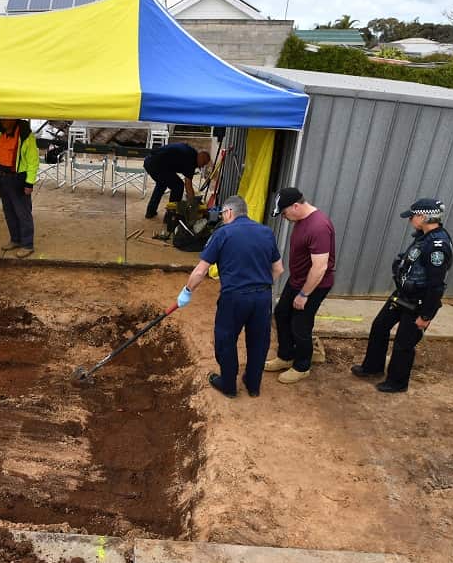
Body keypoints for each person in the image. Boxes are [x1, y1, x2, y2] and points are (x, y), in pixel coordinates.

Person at [175, 195, 284, 398]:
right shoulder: (266, 232)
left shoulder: (223, 234)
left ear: (229, 212)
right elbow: (278, 269)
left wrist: (187, 291)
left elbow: (200, 271)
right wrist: (260, 284)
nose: (223, 218)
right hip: (262, 297)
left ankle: (228, 384)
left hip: (234, 298)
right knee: (259, 341)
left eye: (223, 214)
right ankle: (253, 385)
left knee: (226, 339)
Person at [351, 198, 453, 393]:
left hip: (419, 301)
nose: (410, 220)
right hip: (403, 295)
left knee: (403, 344)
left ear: (423, 217)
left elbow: (436, 285)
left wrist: (426, 316)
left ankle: (397, 382)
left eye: (413, 216)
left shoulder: (437, 246)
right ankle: (372, 367)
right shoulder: (424, 236)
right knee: (380, 326)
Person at [263, 187, 336, 384]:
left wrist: (304, 294)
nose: (284, 217)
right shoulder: (302, 220)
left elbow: (320, 267)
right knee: (281, 313)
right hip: (297, 280)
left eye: (285, 213)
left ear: (296, 206)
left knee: (300, 324)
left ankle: (302, 366)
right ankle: (286, 356)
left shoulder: (318, 226)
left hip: (313, 285)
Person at [0, 119, 39, 258]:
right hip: (2, 178)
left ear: (14, 118)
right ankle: (15, 239)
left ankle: (27, 245)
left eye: (6, 118)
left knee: (22, 213)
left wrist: (29, 183)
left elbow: (33, 161)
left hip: (18, 179)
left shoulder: (26, 136)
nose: (3, 121)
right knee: (9, 212)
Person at [143, 143, 211, 220]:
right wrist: (194, 204)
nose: (202, 166)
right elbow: (188, 185)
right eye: (204, 163)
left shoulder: (191, 152)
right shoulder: (191, 160)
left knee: (162, 184)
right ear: (201, 156)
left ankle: (150, 212)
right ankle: (171, 216)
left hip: (150, 161)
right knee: (178, 186)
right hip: (156, 164)